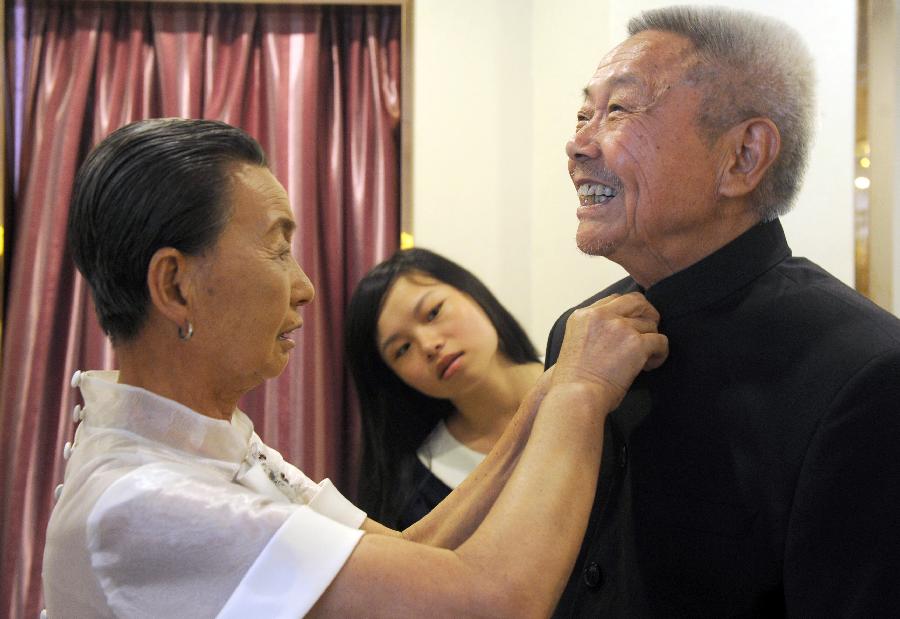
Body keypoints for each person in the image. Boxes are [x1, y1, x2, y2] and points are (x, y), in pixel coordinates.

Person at [42, 117, 668, 618]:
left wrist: (547, 390)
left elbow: (411, 550)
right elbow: (491, 600)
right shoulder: (145, 500)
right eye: (277, 249)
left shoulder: (208, 443)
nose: (305, 287)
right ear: (175, 287)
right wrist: (579, 391)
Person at [545, 5, 900, 617]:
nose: (577, 145)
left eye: (619, 111)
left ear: (742, 156)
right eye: (583, 114)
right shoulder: (577, 333)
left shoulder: (867, 372)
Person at [345, 248, 543, 529]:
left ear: (470, 291)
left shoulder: (590, 383)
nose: (428, 345)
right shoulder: (418, 493)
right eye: (402, 349)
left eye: (433, 312)